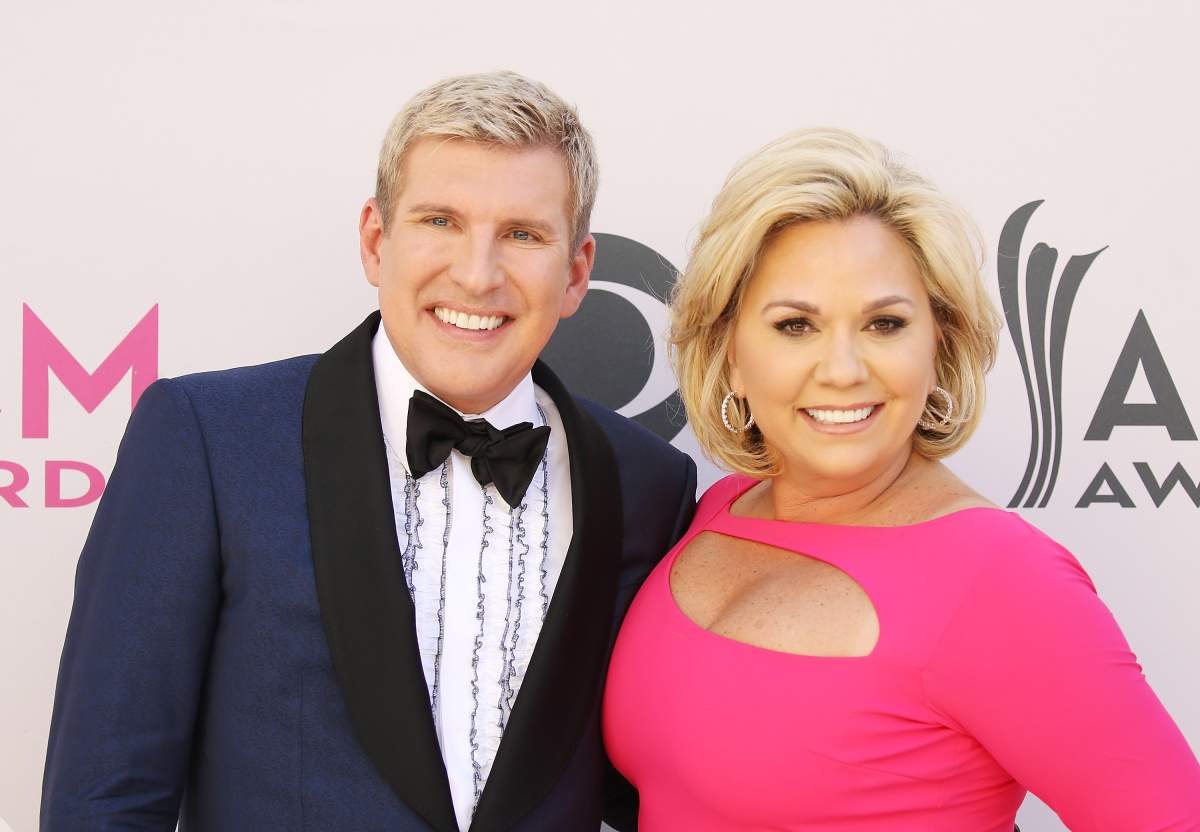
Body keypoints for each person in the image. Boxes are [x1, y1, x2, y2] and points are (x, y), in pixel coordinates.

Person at [41, 71, 696, 832]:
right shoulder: (207, 439)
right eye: (440, 221)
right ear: (376, 241)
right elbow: (104, 799)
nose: (477, 274)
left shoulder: (648, 483)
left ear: (577, 272)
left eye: (522, 234)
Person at [602, 127, 1200, 830]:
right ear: (731, 352)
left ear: (936, 344)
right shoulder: (720, 509)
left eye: (885, 324)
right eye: (796, 326)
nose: (844, 369)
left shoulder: (1003, 580)